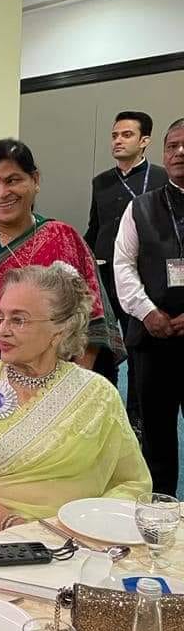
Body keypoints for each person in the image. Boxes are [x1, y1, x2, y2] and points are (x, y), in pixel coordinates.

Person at [0, 264, 151, 557]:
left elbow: (131, 481)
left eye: (18, 320)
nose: (2, 330)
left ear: (60, 329)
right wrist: (17, 528)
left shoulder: (98, 394)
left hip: (73, 535)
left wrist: (86, 527)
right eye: (0, 318)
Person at [0, 138, 123, 376]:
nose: (2, 193)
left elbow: (92, 321)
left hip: (56, 377)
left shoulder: (64, 238)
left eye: (12, 180)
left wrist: (74, 380)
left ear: (35, 180)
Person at [114, 117, 184, 496]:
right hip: (152, 339)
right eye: (172, 146)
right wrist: (147, 312)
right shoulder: (139, 208)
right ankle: (162, 510)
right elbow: (123, 265)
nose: (179, 152)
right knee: (156, 435)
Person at [85, 111, 168, 430]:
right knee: (105, 345)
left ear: (144, 141)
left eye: (127, 135)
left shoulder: (161, 178)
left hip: (142, 278)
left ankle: (136, 418)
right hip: (105, 275)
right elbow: (95, 227)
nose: (118, 141)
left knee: (138, 348)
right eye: (114, 135)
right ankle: (104, 411)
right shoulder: (101, 182)